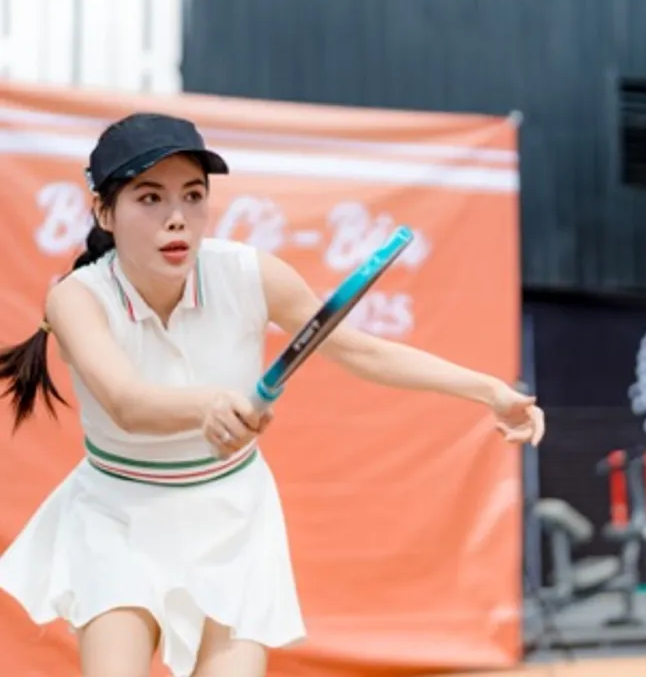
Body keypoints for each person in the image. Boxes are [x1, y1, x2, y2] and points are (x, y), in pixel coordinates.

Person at [0, 113, 544, 677]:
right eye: (150, 198)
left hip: (231, 516)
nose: (177, 217)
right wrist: (208, 405)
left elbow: (362, 352)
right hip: (118, 513)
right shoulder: (76, 299)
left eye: (193, 196)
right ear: (103, 212)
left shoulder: (249, 274)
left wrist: (488, 390)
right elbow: (126, 402)